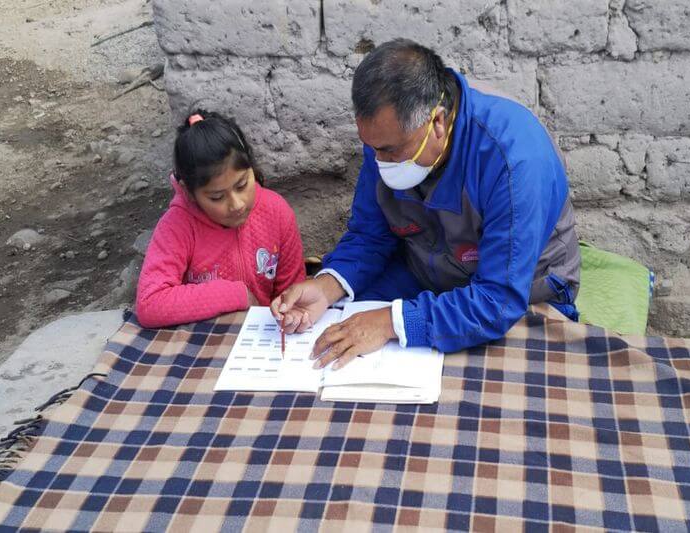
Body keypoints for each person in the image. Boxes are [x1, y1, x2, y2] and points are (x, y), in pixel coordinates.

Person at [272, 39, 580, 369]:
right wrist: (327, 286)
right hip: (428, 271)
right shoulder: (386, 138)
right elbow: (369, 236)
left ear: (437, 123)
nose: (379, 161)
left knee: (490, 375)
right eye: (371, 148)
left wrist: (391, 323)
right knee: (337, 326)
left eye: (389, 151)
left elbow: (498, 300)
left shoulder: (514, 159)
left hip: (524, 290)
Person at [136, 110, 306, 328]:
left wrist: (290, 311)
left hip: (260, 339)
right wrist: (236, 294)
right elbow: (150, 303)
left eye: (242, 185)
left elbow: (292, 291)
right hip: (203, 343)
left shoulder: (276, 213)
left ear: (251, 168)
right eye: (216, 197)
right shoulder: (178, 226)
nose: (236, 204)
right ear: (190, 193)